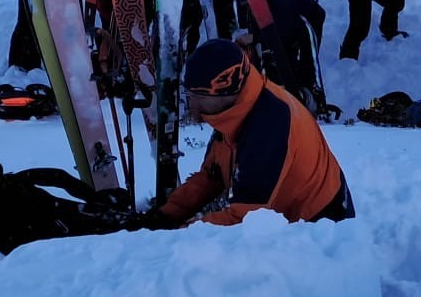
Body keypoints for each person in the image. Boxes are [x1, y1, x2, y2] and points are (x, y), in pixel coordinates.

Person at [144, 40, 353, 227]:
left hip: (323, 229)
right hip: (287, 220)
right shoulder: (236, 110)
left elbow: (243, 220)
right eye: (189, 96)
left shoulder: (268, 126)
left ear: (228, 91)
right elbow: (212, 177)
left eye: (199, 97)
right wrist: (166, 216)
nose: (192, 107)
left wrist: (178, 234)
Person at [234, 0, 327, 113]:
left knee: (304, 66)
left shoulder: (278, 0)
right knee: (277, 61)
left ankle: (311, 100)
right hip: (285, 23)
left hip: (306, 22)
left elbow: (275, 37)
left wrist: (255, 39)